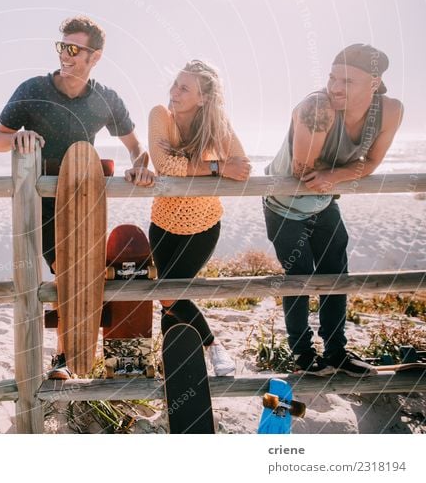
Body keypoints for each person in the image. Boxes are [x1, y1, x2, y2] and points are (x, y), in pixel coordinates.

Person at [0, 16, 154, 379]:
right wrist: (19, 137)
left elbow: (135, 146)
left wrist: (140, 166)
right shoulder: (33, 89)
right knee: (55, 278)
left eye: (74, 49)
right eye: (62, 46)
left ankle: (64, 358)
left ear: (94, 57)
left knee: (74, 275)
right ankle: (51, 360)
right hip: (37, 202)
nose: (65, 54)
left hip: (83, 200)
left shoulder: (105, 99)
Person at [264, 43, 404, 377]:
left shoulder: (390, 111)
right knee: (299, 277)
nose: (335, 87)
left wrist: (334, 174)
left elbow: (370, 163)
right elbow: (303, 172)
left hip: (325, 202)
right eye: (332, 77)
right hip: (284, 204)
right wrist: (338, 172)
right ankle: (302, 354)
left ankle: (337, 352)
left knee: (336, 273)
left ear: (374, 83)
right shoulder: (318, 107)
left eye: (347, 81)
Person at [144, 60, 250, 376]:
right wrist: (216, 167)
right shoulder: (160, 116)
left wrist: (191, 163)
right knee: (169, 296)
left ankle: (213, 346)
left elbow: (241, 166)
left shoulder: (216, 124)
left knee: (169, 292)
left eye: (184, 88)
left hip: (203, 223)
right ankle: (175, 360)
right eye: (175, 84)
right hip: (162, 221)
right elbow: (165, 166)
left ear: (203, 98)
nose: (174, 91)